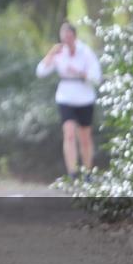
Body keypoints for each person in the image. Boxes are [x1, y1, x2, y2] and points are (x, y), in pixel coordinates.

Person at [35, 21, 102, 178]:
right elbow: (40, 72)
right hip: (65, 97)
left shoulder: (85, 52)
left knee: (84, 137)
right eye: (64, 38)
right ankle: (72, 171)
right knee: (69, 133)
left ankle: (87, 171)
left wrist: (80, 73)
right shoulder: (59, 53)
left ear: (74, 37)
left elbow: (96, 77)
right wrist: (50, 54)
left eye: (69, 37)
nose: (67, 41)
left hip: (84, 98)